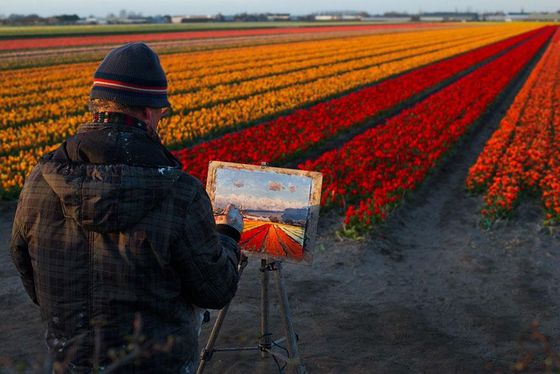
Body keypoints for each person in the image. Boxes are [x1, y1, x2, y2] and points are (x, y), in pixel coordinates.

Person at [10, 42, 244, 373]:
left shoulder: (39, 182)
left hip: (69, 363)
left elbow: (25, 267)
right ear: (149, 111)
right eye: (162, 112)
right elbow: (215, 289)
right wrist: (227, 235)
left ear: (96, 106)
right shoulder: (180, 193)